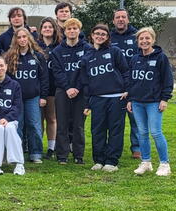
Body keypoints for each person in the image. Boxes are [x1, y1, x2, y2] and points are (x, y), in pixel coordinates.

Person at [79, 24, 130, 172]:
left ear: (107, 37)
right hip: (98, 99)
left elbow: (125, 71)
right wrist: (87, 103)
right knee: (98, 130)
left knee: (115, 130)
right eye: (97, 33)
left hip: (116, 98)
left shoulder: (114, 51)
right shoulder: (87, 57)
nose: (100, 36)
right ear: (92, 35)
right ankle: (99, 160)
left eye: (103, 34)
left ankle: (111, 161)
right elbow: (85, 82)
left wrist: (127, 91)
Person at [127, 27, 174, 176]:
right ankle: (146, 162)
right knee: (142, 133)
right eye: (141, 39)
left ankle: (165, 164)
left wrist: (165, 98)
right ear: (137, 41)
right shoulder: (134, 59)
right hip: (137, 102)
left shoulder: (161, 58)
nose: (144, 41)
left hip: (154, 102)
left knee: (156, 132)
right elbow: (130, 81)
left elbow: (168, 79)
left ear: (153, 40)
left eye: (147, 38)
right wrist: (129, 99)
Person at [49, 18, 94, 165]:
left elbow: (86, 71)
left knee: (78, 124)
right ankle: (62, 155)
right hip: (63, 91)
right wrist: (67, 88)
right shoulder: (57, 51)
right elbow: (57, 72)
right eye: (69, 29)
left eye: (75, 28)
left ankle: (78, 155)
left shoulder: (87, 49)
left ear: (79, 30)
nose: (72, 31)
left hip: (80, 91)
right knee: (62, 124)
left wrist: (77, 88)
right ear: (65, 31)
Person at [3, 27, 49, 163]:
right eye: (19, 37)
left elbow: (44, 78)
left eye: (25, 37)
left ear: (29, 38)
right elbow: (7, 79)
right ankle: (19, 153)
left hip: (33, 97)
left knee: (34, 125)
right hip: (16, 99)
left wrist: (43, 96)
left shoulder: (38, 56)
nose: (22, 39)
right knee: (18, 125)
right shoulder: (10, 57)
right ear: (15, 40)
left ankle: (36, 153)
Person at [109, 10, 141, 159]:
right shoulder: (109, 38)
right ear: (113, 21)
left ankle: (137, 148)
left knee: (135, 118)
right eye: (118, 17)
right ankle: (114, 147)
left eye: (123, 17)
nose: (120, 19)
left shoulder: (137, 36)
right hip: (115, 85)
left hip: (135, 84)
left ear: (128, 19)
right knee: (115, 121)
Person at [37, 17, 63, 159]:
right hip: (39, 88)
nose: (47, 29)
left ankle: (51, 148)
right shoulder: (36, 46)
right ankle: (38, 146)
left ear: (54, 29)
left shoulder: (59, 46)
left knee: (52, 118)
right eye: (44, 27)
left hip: (54, 87)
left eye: (50, 27)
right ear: (41, 30)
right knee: (39, 119)